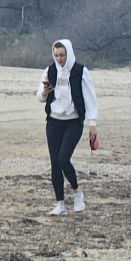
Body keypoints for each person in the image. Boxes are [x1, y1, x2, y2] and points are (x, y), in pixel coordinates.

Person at [37, 38, 98, 216]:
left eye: (62, 55)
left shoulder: (80, 71)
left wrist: (92, 123)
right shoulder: (49, 71)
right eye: (56, 55)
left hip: (74, 122)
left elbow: (90, 98)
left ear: (68, 53)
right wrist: (44, 93)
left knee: (63, 159)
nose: (59, 59)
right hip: (53, 121)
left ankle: (77, 192)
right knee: (55, 162)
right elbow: (39, 97)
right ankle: (60, 204)